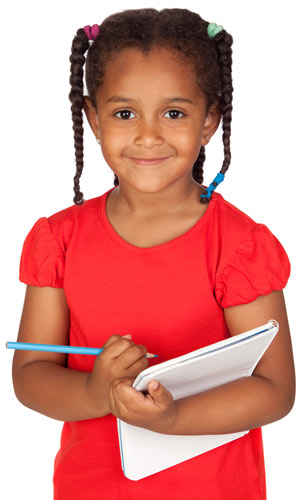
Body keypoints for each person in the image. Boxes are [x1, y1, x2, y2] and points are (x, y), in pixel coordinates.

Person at [12, 8, 295, 500]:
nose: (148, 135)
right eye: (125, 113)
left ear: (209, 121)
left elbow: (275, 389)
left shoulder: (239, 246)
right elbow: (30, 372)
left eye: (174, 112)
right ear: (93, 118)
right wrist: (94, 391)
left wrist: (173, 416)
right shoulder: (59, 240)